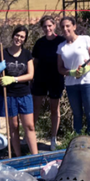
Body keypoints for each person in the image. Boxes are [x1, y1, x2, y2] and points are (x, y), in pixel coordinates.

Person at [0, 25, 38, 157]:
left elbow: (31, 75)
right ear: (13, 35)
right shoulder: (3, 53)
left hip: (24, 94)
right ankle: (18, 155)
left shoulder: (26, 54)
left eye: (22, 37)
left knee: (29, 126)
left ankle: (35, 156)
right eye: (17, 35)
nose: (19, 39)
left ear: (24, 40)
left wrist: (13, 79)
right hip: (9, 95)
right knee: (13, 127)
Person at [57, 16, 90, 135]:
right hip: (71, 85)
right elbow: (60, 68)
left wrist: (86, 68)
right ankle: (78, 139)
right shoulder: (61, 47)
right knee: (76, 113)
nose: (65, 29)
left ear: (74, 26)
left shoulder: (85, 39)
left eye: (68, 26)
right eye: (63, 27)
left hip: (88, 83)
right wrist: (71, 72)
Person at [31, 15, 66, 151]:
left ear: (54, 26)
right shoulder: (39, 43)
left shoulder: (61, 41)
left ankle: (53, 138)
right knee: (36, 108)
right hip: (40, 78)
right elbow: (35, 61)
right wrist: (32, 78)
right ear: (42, 28)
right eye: (45, 26)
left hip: (56, 78)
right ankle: (30, 135)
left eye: (50, 26)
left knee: (54, 108)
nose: (47, 28)